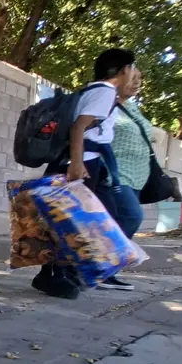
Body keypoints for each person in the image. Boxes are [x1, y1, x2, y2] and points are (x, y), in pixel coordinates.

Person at [33, 48, 142, 299]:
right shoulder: (104, 92)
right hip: (81, 164)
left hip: (89, 163)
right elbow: (79, 127)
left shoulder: (95, 90)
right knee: (70, 220)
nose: (134, 74)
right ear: (124, 70)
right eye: (132, 69)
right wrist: (76, 163)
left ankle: (75, 270)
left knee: (100, 215)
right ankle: (51, 274)